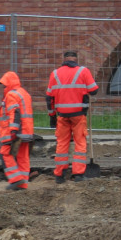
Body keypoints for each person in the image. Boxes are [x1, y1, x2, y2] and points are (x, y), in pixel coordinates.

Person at [46, 50, 99, 183]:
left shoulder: (55, 74)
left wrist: (52, 116)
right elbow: (94, 90)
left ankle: (59, 175)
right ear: (76, 59)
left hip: (62, 116)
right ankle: (78, 175)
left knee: (62, 144)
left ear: (64, 60)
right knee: (80, 143)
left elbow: (49, 98)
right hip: (78, 115)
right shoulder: (83, 71)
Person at [0, 71, 35, 191]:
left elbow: (15, 112)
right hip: (26, 132)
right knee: (23, 157)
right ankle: (22, 184)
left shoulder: (11, 95)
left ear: (8, 84)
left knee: (5, 153)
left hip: (14, 132)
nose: (3, 87)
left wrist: (13, 130)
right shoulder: (24, 93)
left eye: (4, 85)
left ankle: (15, 179)